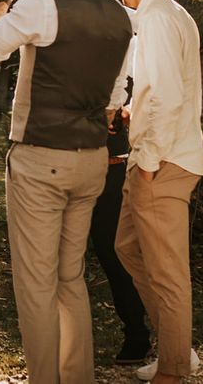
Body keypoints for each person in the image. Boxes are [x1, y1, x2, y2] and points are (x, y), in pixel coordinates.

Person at [0, 0, 132, 384]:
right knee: (69, 278)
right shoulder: (119, 13)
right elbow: (117, 94)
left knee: (36, 285)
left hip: (42, 158)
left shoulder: (41, 3)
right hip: (92, 161)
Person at [102, 0, 203, 384]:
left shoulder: (160, 19)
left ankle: (175, 370)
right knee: (126, 247)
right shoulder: (165, 14)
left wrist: (147, 163)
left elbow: (166, 95)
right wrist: (131, 111)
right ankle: (178, 349)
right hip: (152, 155)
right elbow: (161, 90)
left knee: (168, 275)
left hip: (160, 163)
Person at [89, 67, 151, 365]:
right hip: (70, 168)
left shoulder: (128, 57)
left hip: (113, 169)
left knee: (112, 253)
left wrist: (125, 112)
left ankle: (137, 334)